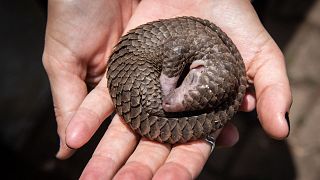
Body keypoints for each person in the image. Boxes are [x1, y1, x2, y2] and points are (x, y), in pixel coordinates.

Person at [42, 0, 292, 179]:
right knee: (161, 101)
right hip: (138, 60)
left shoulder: (206, 54)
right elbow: (176, 54)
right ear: (198, 67)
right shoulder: (189, 48)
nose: (168, 104)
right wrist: (171, 86)